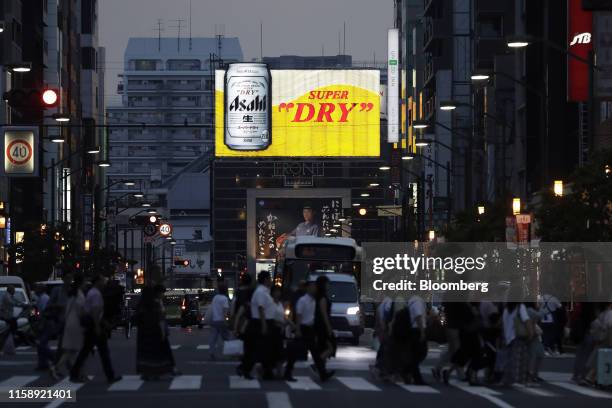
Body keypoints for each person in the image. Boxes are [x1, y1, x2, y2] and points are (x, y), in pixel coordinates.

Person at [69, 275, 121, 384]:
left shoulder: (92, 292)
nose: (104, 283)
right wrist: (98, 326)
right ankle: (110, 376)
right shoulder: (96, 294)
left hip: (92, 325)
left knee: (86, 351)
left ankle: (74, 373)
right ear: (97, 282)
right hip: (94, 326)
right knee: (102, 352)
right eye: (103, 280)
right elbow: (95, 312)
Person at [283, 280, 332, 381]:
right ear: (308, 288)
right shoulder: (303, 300)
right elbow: (299, 316)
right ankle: (288, 372)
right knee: (296, 352)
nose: (315, 289)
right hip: (303, 328)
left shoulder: (313, 300)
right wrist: (298, 329)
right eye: (313, 287)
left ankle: (323, 374)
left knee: (314, 352)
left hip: (310, 329)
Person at [134, 285, 176, 380]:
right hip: (154, 331)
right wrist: (163, 332)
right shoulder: (154, 303)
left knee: (145, 354)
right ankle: (157, 372)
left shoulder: (141, 304)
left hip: (143, 333)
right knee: (156, 354)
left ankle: (146, 372)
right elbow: (160, 319)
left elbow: (137, 318)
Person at [239, 271, 276, 380]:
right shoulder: (260, 292)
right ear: (265, 280)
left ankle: (266, 371)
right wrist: (264, 324)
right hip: (259, 322)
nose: (271, 281)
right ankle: (246, 369)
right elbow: (260, 308)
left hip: (265, 322)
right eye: (269, 278)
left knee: (263, 348)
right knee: (257, 348)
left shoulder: (265, 291)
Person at [51, 275, 86, 378]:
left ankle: (76, 371)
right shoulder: (79, 295)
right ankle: (60, 368)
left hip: (69, 322)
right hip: (76, 323)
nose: (85, 285)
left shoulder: (72, 294)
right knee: (75, 349)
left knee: (71, 350)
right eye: (84, 283)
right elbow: (81, 311)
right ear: (80, 283)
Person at [501, 302, 533, 386]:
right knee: (520, 359)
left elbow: (503, 323)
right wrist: (530, 333)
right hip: (517, 336)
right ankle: (518, 379)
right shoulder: (520, 307)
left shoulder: (506, 308)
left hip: (508, 337)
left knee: (509, 360)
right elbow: (526, 321)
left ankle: (508, 379)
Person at [313, 275, 336, 380]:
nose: (328, 285)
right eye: (327, 283)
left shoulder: (318, 296)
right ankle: (317, 364)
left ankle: (323, 371)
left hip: (319, 325)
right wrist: (328, 327)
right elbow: (324, 314)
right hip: (322, 326)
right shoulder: (322, 297)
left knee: (323, 348)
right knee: (330, 348)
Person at [233, 274, 254, 377]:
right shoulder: (250, 292)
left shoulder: (238, 292)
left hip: (241, 324)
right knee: (251, 348)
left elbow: (234, 310)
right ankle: (244, 368)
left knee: (247, 348)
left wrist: (234, 326)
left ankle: (243, 367)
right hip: (248, 323)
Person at [407, 294, 428, 385]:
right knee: (420, 353)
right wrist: (422, 332)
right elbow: (418, 316)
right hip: (417, 329)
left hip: (413, 329)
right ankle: (415, 376)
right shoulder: (418, 301)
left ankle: (410, 373)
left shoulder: (411, 300)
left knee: (416, 354)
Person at [209, 281, 230, 360]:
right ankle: (230, 352)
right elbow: (225, 311)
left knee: (213, 338)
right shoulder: (224, 299)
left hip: (214, 320)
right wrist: (226, 321)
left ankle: (211, 352)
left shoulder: (215, 297)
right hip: (221, 320)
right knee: (226, 337)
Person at [0, 285, 24, 352]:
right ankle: (13, 334)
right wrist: (21, 305)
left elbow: (16, 300)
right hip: (5, 315)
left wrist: (22, 304)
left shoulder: (10, 296)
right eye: (13, 290)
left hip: (7, 314)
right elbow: (12, 302)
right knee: (13, 322)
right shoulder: (7, 296)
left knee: (12, 322)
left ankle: (12, 334)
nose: (14, 291)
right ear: (10, 290)